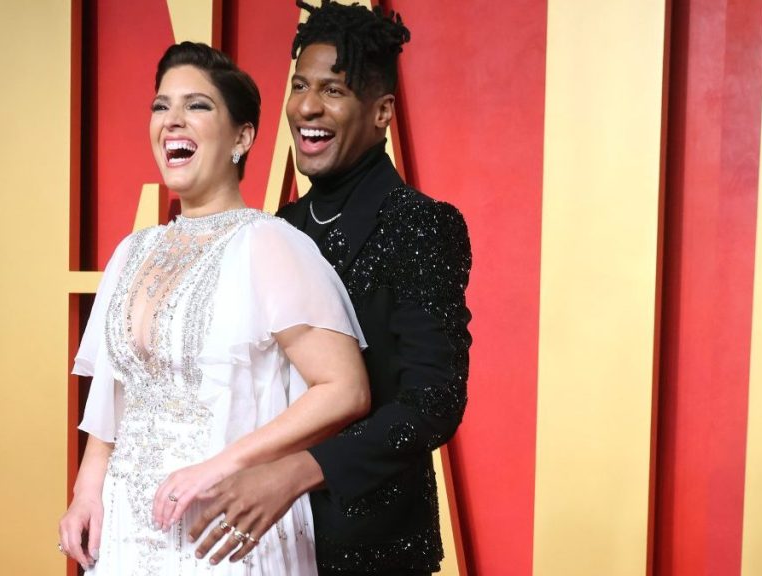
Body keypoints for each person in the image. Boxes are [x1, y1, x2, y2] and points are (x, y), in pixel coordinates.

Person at [58, 41, 371, 575]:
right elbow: (116, 391)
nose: (173, 121)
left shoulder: (270, 244)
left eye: (197, 106)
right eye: (161, 106)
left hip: (223, 530)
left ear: (242, 137)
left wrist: (222, 466)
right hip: (129, 531)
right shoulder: (133, 252)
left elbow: (346, 389)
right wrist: (88, 486)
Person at [187, 2, 473, 575]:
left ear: (382, 112)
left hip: (370, 547)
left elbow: (433, 403)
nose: (308, 107)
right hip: (261, 542)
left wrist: (297, 471)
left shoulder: (419, 223)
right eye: (300, 85)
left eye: (334, 90)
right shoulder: (275, 229)